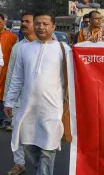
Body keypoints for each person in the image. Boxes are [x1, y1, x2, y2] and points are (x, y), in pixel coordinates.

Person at [4, 11, 71, 175]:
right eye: (38, 23)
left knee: (48, 150)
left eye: (45, 24)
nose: (41, 27)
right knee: (27, 145)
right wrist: (9, 101)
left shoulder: (64, 50)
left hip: (52, 109)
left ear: (53, 26)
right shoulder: (24, 49)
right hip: (28, 110)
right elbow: (17, 78)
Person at [4, 13, 37, 175]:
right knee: (17, 133)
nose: (23, 24)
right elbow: (11, 74)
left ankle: (42, 166)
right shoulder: (18, 47)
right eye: (22, 21)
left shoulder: (51, 46)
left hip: (41, 101)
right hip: (19, 100)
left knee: (40, 135)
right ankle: (19, 164)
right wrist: (8, 100)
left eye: (27, 21)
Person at [0, 13, 18, 129]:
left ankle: (4, 119)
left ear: (4, 22)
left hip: (7, 72)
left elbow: (16, 56)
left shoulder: (12, 37)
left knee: (3, 95)